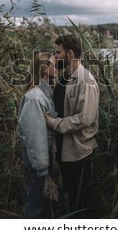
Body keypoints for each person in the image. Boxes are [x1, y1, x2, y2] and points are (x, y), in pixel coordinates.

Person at [44, 34, 99, 218]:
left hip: (78, 152)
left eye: (58, 52)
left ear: (70, 53)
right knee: (71, 197)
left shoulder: (86, 80)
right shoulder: (63, 77)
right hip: (62, 150)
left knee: (82, 201)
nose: (55, 56)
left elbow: (85, 118)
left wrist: (53, 123)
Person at [17, 52, 59, 218]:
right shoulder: (35, 98)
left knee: (40, 203)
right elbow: (35, 137)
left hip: (40, 157)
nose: (57, 68)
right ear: (44, 69)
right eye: (54, 65)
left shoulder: (43, 94)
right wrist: (42, 169)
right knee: (36, 205)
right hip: (37, 159)